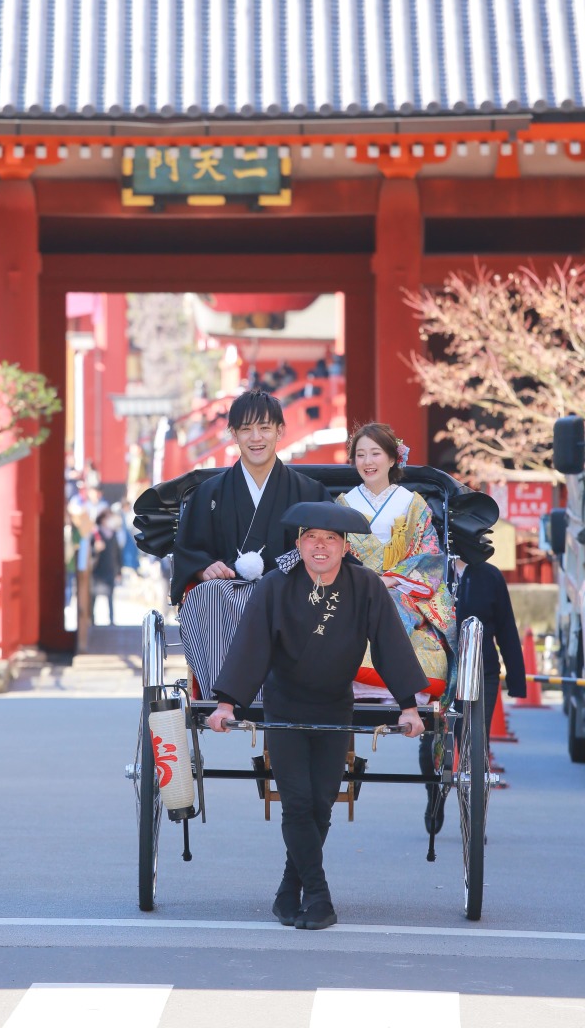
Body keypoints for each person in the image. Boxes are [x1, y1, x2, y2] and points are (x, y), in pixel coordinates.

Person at [207, 502, 426, 930]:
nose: (320, 546)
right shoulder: (275, 585)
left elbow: (390, 646)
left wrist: (409, 705)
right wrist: (227, 703)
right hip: (285, 705)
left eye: (330, 539)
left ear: (344, 546)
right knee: (297, 802)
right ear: (298, 543)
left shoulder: (366, 585)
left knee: (322, 804)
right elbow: (251, 646)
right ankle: (320, 897)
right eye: (311, 538)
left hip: (334, 706)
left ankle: (288, 892)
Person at [171, 390, 332, 698]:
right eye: (246, 429)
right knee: (208, 594)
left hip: (290, 589)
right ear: (233, 434)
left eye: (265, 428)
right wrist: (204, 569)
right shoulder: (209, 494)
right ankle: (225, 695)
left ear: (280, 431)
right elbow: (188, 550)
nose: (256, 438)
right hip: (226, 593)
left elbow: (329, 549)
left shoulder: (309, 492)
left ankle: (294, 694)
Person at [336, 423, 455, 700]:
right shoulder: (343, 504)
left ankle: (398, 688)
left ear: (392, 458)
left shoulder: (413, 504)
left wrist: (389, 580)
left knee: (391, 607)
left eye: (375, 453)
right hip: (353, 587)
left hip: (403, 590)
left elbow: (428, 554)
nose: (367, 461)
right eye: (360, 455)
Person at [418, 557, 526, 834]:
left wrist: (516, 679)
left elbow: (506, 627)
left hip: (481, 670)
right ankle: (434, 796)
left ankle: (473, 818)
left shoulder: (489, 575)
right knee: (431, 742)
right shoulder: (431, 566)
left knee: (475, 743)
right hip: (437, 669)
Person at [90, 509, 122, 627]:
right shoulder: (95, 533)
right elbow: (89, 552)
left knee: (110, 596)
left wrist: (119, 571)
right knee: (93, 597)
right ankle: (92, 620)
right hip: (97, 570)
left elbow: (118, 553)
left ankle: (111, 619)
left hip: (110, 569)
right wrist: (95, 549)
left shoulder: (113, 533)